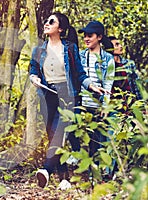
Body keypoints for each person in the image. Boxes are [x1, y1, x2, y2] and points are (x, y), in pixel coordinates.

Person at [29, 13, 108, 190]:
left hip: (67, 95)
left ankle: (46, 170)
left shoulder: (70, 48)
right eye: (46, 21)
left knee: (59, 133)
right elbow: (33, 70)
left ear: (61, 29)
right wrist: (34, 78)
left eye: (51, 21)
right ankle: (63, 178)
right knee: (53, 135)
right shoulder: (38, 50)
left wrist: (92, 86)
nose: (47, 24)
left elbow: (79, 74)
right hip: (47, 95)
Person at [78, 21, 115, 166]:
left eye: (90, 36)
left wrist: (105, 106)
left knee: (95, 141)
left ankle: (95, 174)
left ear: (99, 37)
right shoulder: (80, 56)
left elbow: (108, 84)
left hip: (97, 105)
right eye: (85, 36)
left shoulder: (108, 59)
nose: (86, 39)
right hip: (81, 105)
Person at [109, 36, 142, 100]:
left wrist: (141, 102)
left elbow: (136, 85)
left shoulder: (129, 64)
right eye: (116, 45)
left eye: (120, 44)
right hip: (114, 102)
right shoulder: (106, 66)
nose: (120, 46)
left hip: (129, 100)